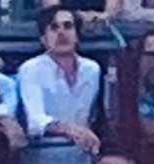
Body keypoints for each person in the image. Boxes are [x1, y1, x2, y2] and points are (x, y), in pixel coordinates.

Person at [18, 7, 102, 153]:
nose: (62, 33)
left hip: (84, 151)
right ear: (43, 39)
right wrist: (70, 129)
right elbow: (35, 121)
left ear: (77, 35)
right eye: (54, 27)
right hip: (43, 152)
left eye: (68, 26)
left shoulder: (92, 69)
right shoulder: (30, 69)